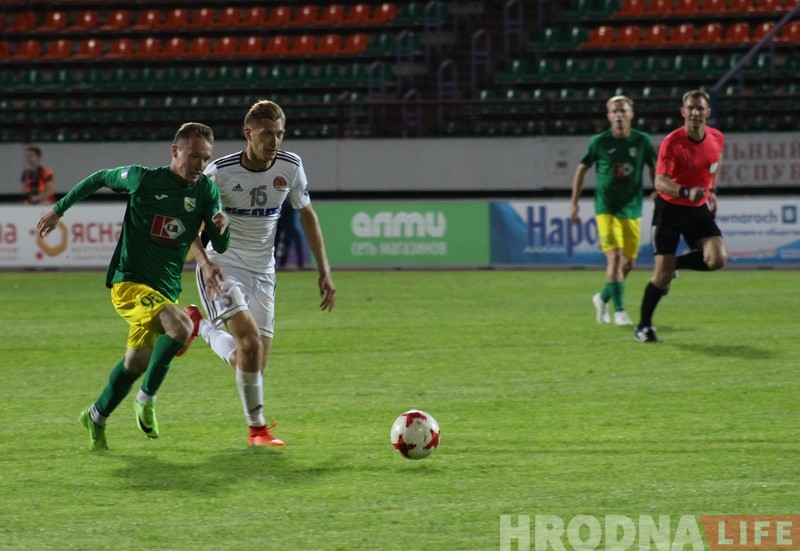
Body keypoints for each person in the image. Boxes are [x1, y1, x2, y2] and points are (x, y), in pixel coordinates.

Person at [36, 123, 230, 450]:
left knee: (136, 363)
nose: (200, 164)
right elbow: (100, 177)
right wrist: (59, 210)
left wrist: (222, 229)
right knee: (183, 326)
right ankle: (146, 399)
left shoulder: (206, 191)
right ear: (175, 151)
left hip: (164, 291)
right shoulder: (143, 179)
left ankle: (96, 416)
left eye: (206, 158)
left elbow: (220, 244)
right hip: (129, 283)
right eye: (194, 155)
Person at [188, 100, 336, 447]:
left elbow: (308, 215)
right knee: (250, 345)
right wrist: (205, 264)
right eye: (267, 133)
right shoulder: (219, 173)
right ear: (248, 133)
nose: (275, 141)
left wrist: (324, 271)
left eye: (280, 133)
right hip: (223, 267)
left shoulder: (291, 166)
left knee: (253, 363)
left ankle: (200, 327)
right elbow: (188, 223)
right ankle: (258, 430)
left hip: (264, 273)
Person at [634, 90, 726, 343]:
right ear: (683, 112)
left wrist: (712, 190)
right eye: (691, 108)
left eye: (700, 108)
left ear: (708, 112)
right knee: (661, 276)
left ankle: (675, 264)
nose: (695, 113)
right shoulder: (672, 142)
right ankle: (643, 327)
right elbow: (660, 182)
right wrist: (686, 191)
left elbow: (714, 163)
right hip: (670, 210)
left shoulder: (717, 137)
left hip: (697, 209)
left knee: (717, 259)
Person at [570, 95, 657, 326]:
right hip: (606, 208)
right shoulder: (599, 142)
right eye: (615, 111)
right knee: (615, 257)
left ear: (631, 114)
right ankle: (620, 311)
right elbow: (581, 169)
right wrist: (574, 203)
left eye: (623, 110)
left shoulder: (642, 141)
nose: (619, 115)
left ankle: (602, 298)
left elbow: (654, 167)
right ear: (608, 116)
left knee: (628, 264)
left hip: (632, 208)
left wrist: (659, 191)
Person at [275, 200, 305, 268]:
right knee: (281, 245)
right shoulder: (283, 205)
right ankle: (280, 263)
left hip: (290, 228)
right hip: (284, 227)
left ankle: (300, 263)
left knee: (294, 243)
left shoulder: (290, 205)